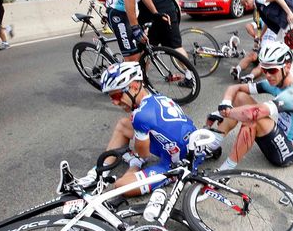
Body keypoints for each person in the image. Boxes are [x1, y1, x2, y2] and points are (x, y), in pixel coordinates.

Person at [78, 61, 201, 194]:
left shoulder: (140, 115)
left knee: (120, 186)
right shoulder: (158, 97)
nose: (114, 102)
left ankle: (134, 164)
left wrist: (135, 162)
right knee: (122, 125)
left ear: (135, 86)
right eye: (111, 97)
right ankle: (100, 171)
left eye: (117, 95)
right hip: (194, 145)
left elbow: (144, 154)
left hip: (178, 164)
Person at [205, 42, 293, 171]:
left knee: (252, 119)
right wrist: (225, 103)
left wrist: (223, 113)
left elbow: (254, 113)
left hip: (288, 153)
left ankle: (226, 170)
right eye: (264, 69)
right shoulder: (276, 82)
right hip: (277, 137)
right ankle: (213, 145)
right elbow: (235, 88)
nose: (267, 75)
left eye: (272, 70)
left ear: (287, 67)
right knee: (239, 96)